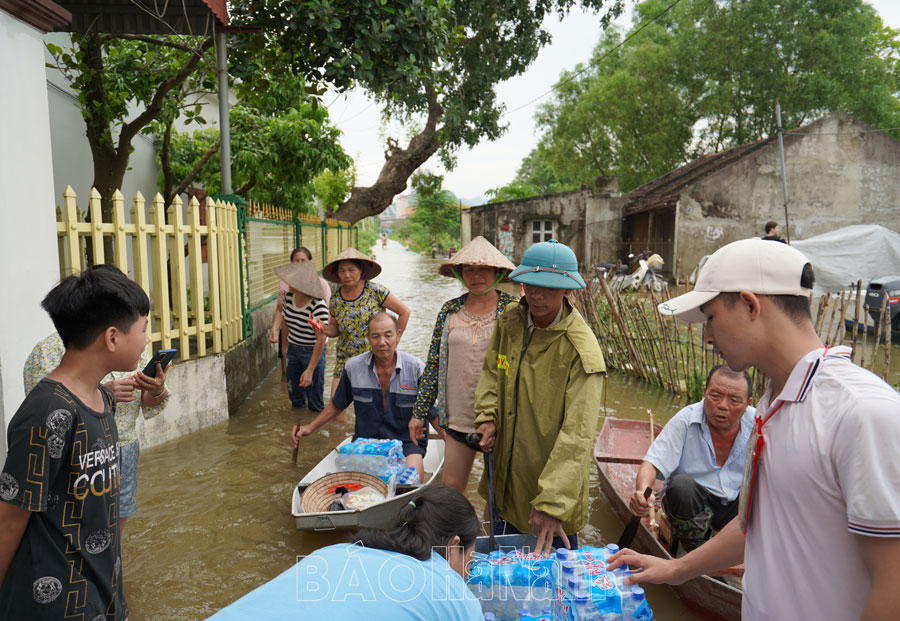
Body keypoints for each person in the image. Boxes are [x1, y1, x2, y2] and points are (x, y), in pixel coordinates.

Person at [609, 238, 900, 620]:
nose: (708, 337)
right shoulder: (771, 407)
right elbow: (755, 526)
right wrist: (676, 569)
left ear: (750, 305)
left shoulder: (862, 412)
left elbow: (892, 584)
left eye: (711, 317)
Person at [0, 265, 150, 619]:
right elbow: (9, 519)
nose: (147, 340)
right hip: (55, 604)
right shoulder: (46, 413)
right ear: (112, 338)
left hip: (103, 593)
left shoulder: (101, 399)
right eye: (143, 329)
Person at [473, 239, 606, 556]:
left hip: (547, 497)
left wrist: (552, 502)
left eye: (549, 288)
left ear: (567, 291)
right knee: (503, 580)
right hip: (504, 478)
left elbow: (578, 435)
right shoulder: (510, 322)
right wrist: (487, 417)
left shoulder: (581, 351)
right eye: (531, 285)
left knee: (551, 589)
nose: (537, 295)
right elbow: (495, 369)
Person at [206, 486, 483, 619]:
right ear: (453, 546)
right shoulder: (451, 592)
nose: (467, 574)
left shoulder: (332, 552)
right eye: (470, 561)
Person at [22, 329, 170, 531]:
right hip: (78, 455)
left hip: (124, 449)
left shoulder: (131, 346)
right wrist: (103, 393)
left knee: (120, 514)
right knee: (73, 522)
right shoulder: (46, 352)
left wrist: (157, 389)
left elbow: (148, 401)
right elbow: (44, 412)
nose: (146, 338)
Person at [408, 236, 517, 493]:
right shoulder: (450, 311)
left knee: (500, 496)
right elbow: (433, 365)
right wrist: (419, 414)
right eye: (469, 269)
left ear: (497, 272)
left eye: (483, 269)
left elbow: (517, 366)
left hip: (502, 419)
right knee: (451, 489)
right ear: (459, 273)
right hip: (458, 417)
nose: (476, 275)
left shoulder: (513, 311)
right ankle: (459, 535)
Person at [292, 313, 437, 478]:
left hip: (407, 444)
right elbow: (337, 404)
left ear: (398, 335)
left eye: (388, 335)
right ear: (368, 338)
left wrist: (452, 443)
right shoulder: (353, 367)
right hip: (366, 445)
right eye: (375, 336)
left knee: (409, 483)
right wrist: (309, 428)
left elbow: (433, 412)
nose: (382, 342)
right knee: (351, 489)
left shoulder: (416, 369)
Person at [629, 365, 755, 551]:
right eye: (715, 396)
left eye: (734, 400)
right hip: (693, 506)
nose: (722, 405)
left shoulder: (759, 423)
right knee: (680, 487)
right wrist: (641, 492)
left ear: (747, 404)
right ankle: (699, 551)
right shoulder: (685, 420)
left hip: (736, 506)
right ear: (704, 393)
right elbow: (652, 464)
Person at [317, 247, 410, 400]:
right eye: (342, 271)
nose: (347, 275)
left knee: (376, 404)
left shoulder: (375, 291)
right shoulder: (336, 298)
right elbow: (336, 329)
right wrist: (324, 328)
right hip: (345, 358)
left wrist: (395, 340)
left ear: (361, 270)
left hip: (374, 357)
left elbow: (404, 312)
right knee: (336, 404)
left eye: (351, 269)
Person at [270, 261, 329, 412]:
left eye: (292, 279)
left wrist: (310, 369)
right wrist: (284, 349)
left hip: (312, 352)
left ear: (302, 285)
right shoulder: (289, 298)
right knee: (295, 396)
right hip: (293, 350)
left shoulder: (316, 306)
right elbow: (286, 323)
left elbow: (321, 339)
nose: (287, 282)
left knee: (315, 400)